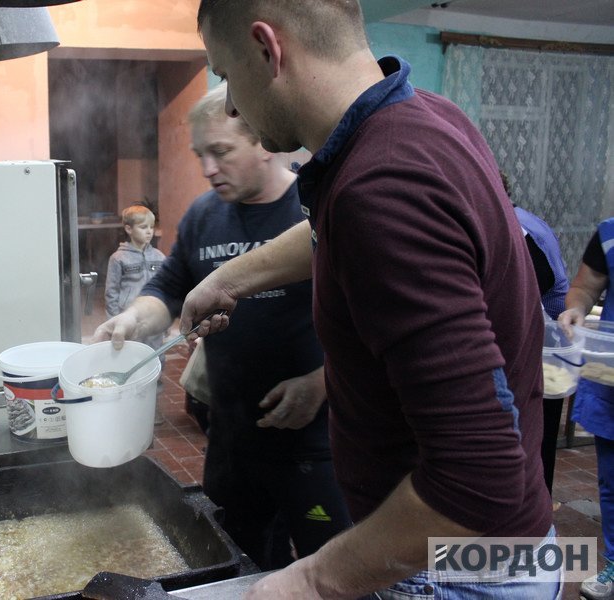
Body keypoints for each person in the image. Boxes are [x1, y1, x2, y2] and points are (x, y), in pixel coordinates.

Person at [182, 1, 557, 597]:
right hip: (505, 552)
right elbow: (333, 226)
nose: (230, 106)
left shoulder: (381, 188)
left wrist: (311, 580)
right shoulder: (423, 118)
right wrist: (230, 278)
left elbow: (478, 477)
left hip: (450, 568)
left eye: (227, 74)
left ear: (267, 48)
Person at [92, 83, 352, 571]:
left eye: (222, 151)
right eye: (200, 155)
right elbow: (167, 289)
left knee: (329, 568)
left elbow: (368, 324)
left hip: (315, 442)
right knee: (238, 564)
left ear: (263, 142)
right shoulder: (202, 215)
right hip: (231, 437)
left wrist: (322, 382)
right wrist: (132, 318)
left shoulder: (317, 209)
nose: (208, 169)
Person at [503, 170, 571, 497]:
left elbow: (525, 294)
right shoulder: (513, 220)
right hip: (538, 343)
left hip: (547, 348)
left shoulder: (518, 229)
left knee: (535, 439)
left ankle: (537, 506)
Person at [558, 217, 614, 600]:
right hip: (610, 373)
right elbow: (584, 287)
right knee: (611, 480)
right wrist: (576, 309)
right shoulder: (609, 233)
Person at [104, 204, 167, 423]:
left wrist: (165, 321)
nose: (149, 232)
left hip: (153, 322)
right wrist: (114, 321)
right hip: (129, 322)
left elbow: (165, 290)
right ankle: (129, 405)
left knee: (156, 360)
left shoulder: (159, 257)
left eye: (151, 227)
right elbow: (111, 292)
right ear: (128, 229)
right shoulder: (118, 258)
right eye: (143, 227)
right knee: (130, 362)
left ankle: (152, 406)